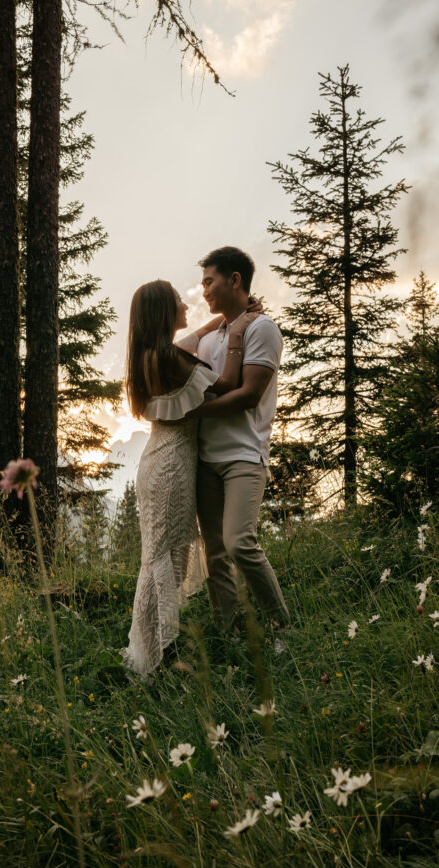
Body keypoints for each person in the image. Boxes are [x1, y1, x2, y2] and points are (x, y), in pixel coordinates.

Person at [122, 279, 259, 675]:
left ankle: (148, 652)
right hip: (172, 466)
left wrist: (229, 315)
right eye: (179, 300)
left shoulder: (152, 355)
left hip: (159, 461)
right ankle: (150, 660)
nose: (187, 304)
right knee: (164, 560)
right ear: (165, 311)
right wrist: (234, 334)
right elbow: (230, 384)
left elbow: (194, 337)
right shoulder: (170, 359)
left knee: (162, 559)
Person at [175, 246, 290, 633]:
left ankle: (281, 626)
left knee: (240, 542)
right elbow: (174, 352)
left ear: (235, 279)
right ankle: (228, 631)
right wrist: (217, 326)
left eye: (209, 281)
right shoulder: (213, 339)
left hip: (244, 455)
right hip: (206, 459)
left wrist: (196, 411)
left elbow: (248, 395)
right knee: (215, 553)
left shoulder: (263, 328)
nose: (203, 290)